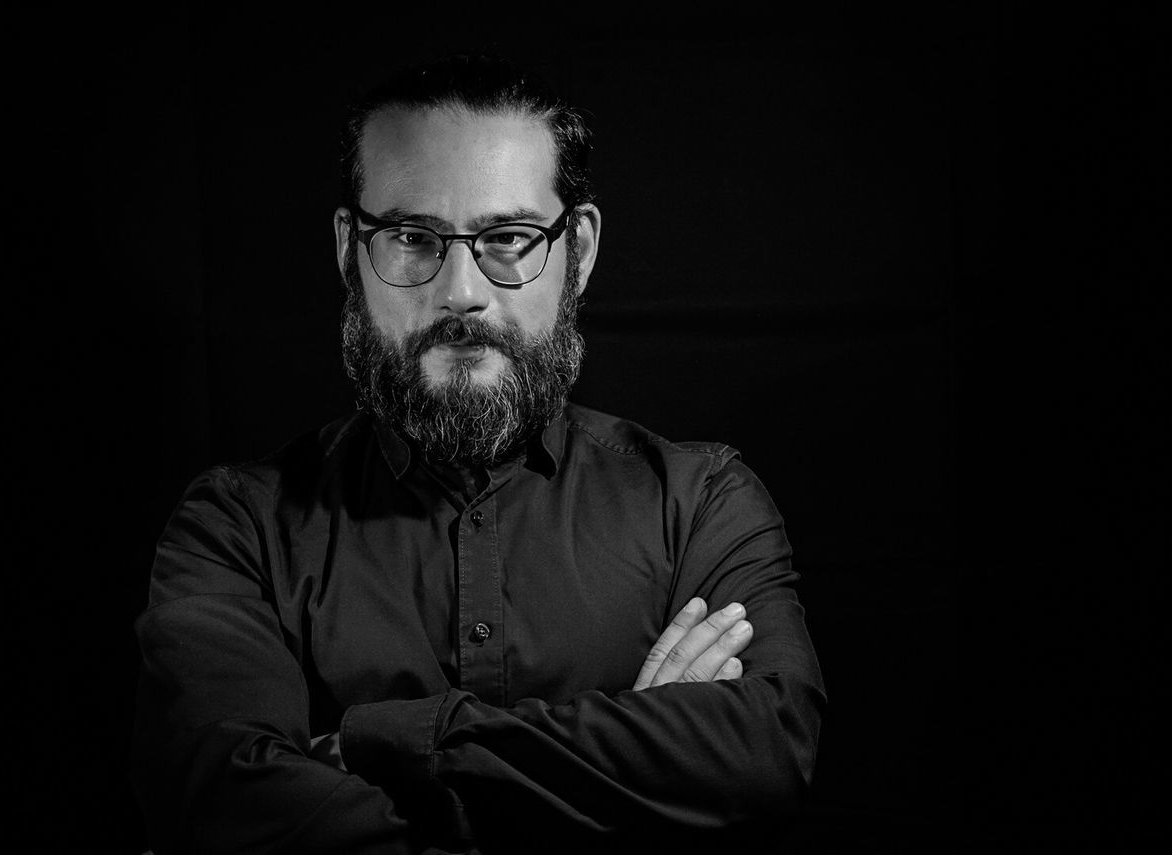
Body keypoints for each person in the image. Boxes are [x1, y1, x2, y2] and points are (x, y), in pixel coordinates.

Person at [132, 54, 825, 854]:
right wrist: (633, 772)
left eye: (508, 237)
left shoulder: (703, 503)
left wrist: (370, 744)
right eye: (411, 237)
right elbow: (223, 804)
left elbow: (760, 758)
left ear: (582, 250)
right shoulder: (235, 529)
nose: (460, 289)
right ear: (349, 249)